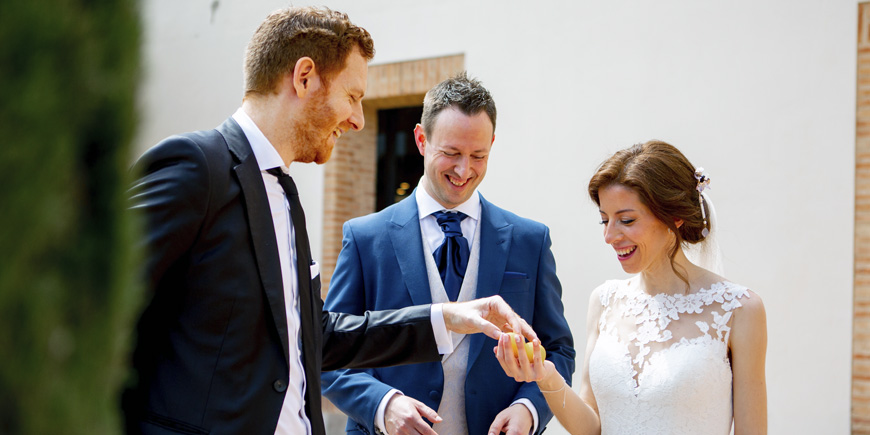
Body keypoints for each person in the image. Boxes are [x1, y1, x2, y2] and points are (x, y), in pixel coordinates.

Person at [124, 7, 536, 435]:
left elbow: (316, 337)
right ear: (304, 78)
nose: (358, 119)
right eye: (353, 96)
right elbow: (87, 312)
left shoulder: (284, 195)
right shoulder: (196, 168)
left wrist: (447, 317)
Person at [320, 72, 575, 435]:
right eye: (451, 153)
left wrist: (528, 408)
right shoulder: (365, 238)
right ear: (421, 140)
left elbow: (558, 351)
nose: (464, 169)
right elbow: (328, 354)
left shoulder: (529, 240)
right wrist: (383, 404)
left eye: (478, 155)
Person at [495, 140, 768, 434]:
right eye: (604, 221)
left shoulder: (739, 310)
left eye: (626, 220)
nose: (610, 236)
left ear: (674, 216)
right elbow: (592, 427)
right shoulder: (604, 300)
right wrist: (546, 377)